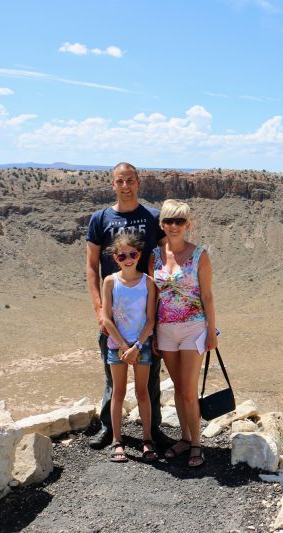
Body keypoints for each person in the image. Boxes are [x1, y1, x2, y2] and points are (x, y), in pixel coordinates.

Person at [85, 162, 167, 449]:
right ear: (113, 184)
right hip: (114, 313)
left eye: (130, 180)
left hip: (145, 312)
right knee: (113, 376)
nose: (125, 186)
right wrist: (99, 309)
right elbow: (92, 267)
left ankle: (152, 430)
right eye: (120, 181)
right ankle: (110, 429)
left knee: (150, 376)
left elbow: (165, 260)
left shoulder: (154, 217)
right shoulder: (100, 218)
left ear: (138, 182)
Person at [150, 199, 217, 467]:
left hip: (193, 328)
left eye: (179, 221)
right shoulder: (154, 256)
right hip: (165, 329)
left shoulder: (199, 255)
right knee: (178, 388)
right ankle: (185, 437)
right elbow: (152, 296)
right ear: (162, 224)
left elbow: (208, 296)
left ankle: (197, 444)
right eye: (168, 221)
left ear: (188, 224)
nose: (174, 226)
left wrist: (211, 331)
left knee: (189, 390)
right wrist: (152, 332)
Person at [101, 233, 158, 462]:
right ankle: (117, 440)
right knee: (118, 392)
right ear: (115, 258)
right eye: (122, 255)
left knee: (143, 392)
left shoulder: (148, 283)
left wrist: (136, 346)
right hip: (118, 346)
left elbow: (151, 319)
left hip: (140, 346)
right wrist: (125, 347)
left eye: (132, 254)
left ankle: (147, 439)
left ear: (139, 255)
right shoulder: (110, 281)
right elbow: (106, 319)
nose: (128, 259)